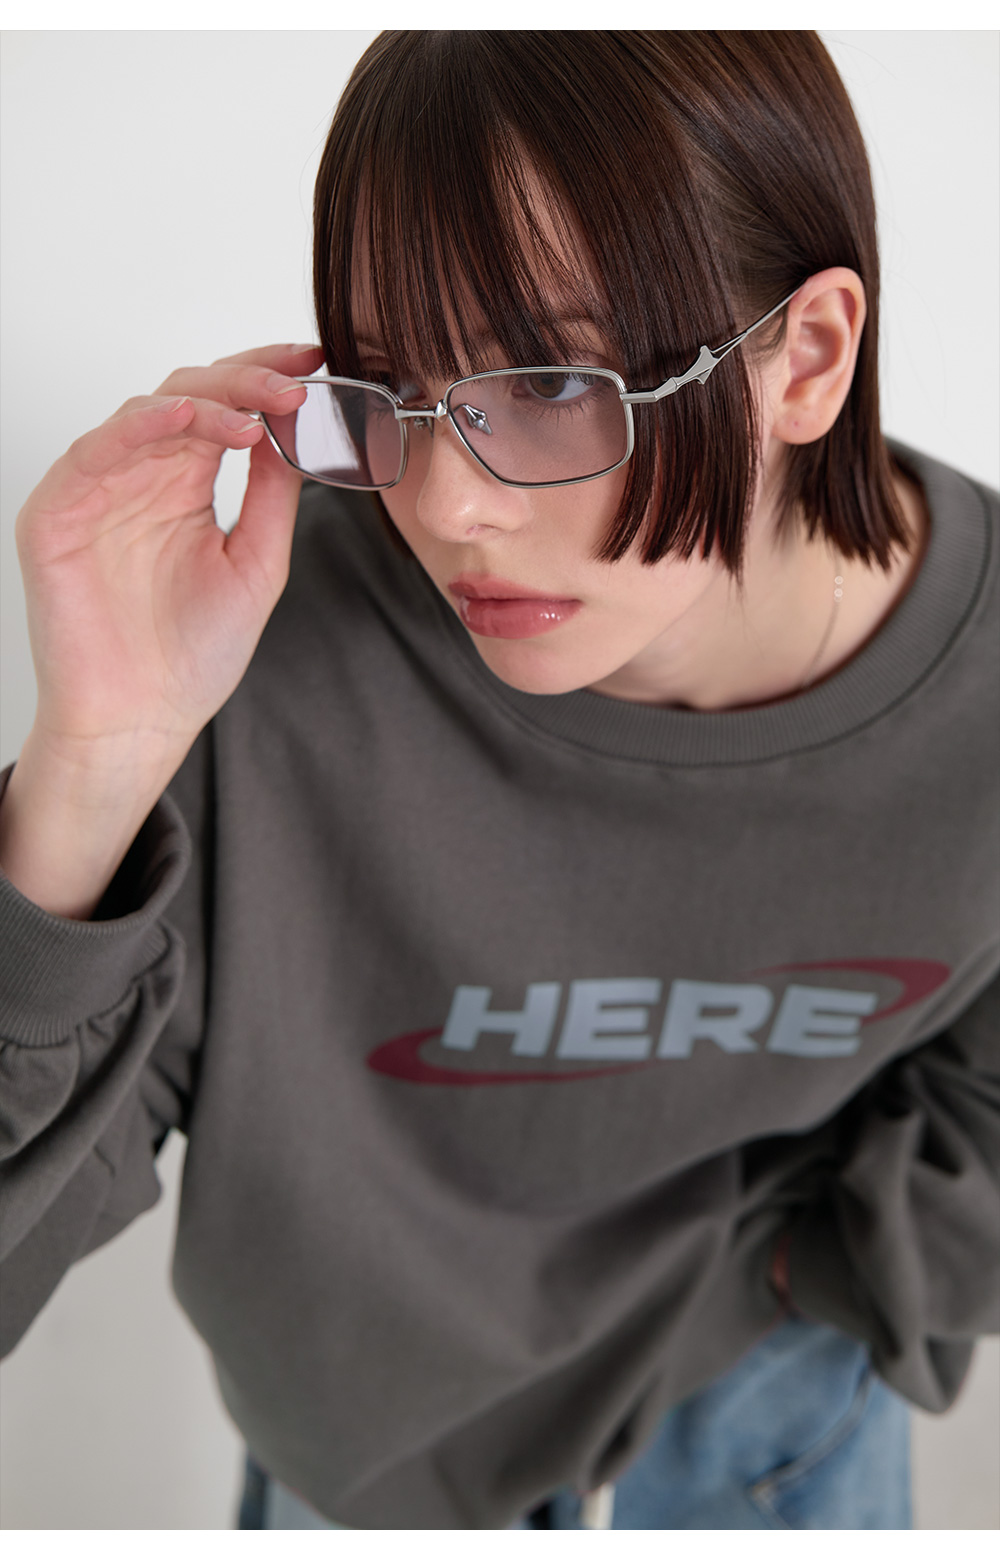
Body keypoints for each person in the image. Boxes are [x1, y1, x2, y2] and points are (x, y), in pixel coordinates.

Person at [0, 30, 997, 1533]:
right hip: (372, 1476)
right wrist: (94, 760)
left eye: (548, 380)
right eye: (393, 389)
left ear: (805, 356)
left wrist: (838, 1280)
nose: (450, 502)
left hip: (772, 1435)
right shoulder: (257, 652)